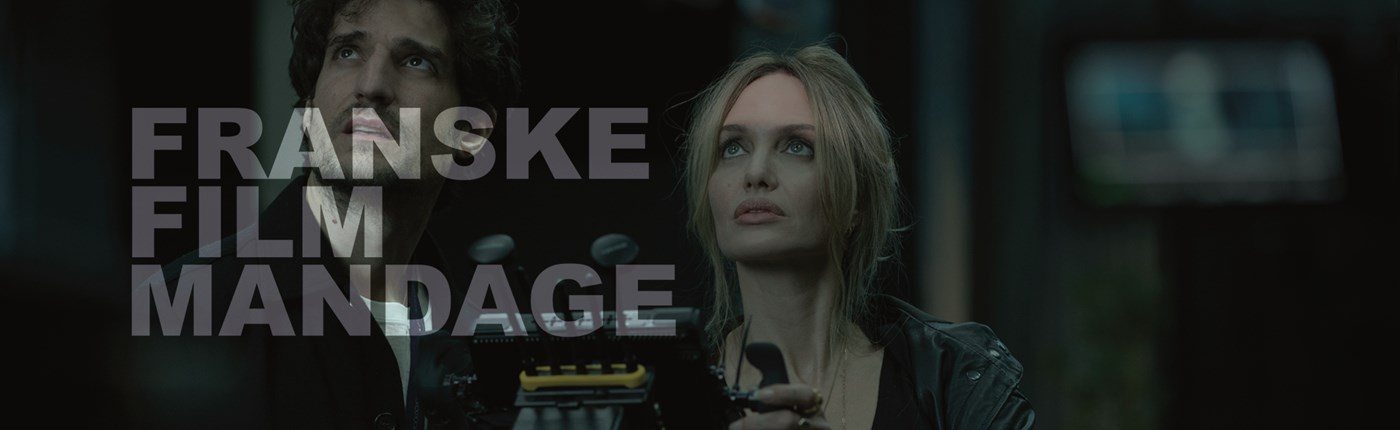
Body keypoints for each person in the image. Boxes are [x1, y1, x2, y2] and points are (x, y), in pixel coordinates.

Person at [131, 0, 520, 428]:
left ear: (469, 133)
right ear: (309, 106)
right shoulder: (184, 311)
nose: (371, 85)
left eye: (416, 61)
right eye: (347, 52)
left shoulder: (487, 351)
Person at [683, 44, 1035, 429]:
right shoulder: (665, 397)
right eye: (733, 148)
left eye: (797, 146)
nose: (755, 173)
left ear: (856, 198)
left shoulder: (954, 376)